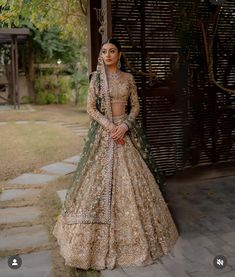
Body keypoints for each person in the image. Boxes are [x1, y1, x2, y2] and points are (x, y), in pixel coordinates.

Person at [52, 38, 179, 271]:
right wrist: (111, 127)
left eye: (112, 51)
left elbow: (136, 107)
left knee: (133, 181)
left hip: (124, 132)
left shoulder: (128, 79)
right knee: (95, 183)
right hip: (106, 133)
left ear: (119, 55)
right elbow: (90, 108)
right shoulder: (96, 79)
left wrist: (125, 125)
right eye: (104, 51)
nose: (107, 55)